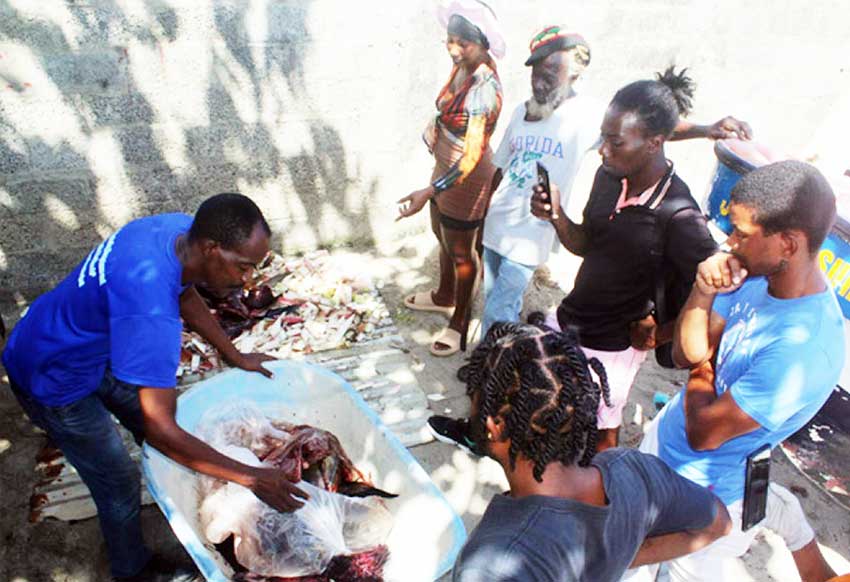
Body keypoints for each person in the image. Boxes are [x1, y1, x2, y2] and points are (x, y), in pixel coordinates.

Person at [429, 66, 749, 452]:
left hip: (613, 345)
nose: (603, 150)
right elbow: (585, 244)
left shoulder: (679, 216)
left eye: (615, 142)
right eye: (605, 140)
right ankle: (482, 439)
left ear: (654, 143)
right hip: (572, 315)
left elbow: (716, 297)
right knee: (507, 377)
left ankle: (601, 494)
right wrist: (557, 217)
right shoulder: (610, 176)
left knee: (597, 432)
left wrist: (659, 333)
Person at [2, 194, 308, 581]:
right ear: (212, 249)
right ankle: (133, 570)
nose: (247, 280)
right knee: (119, 481)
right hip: (51, 375)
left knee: (162, 421)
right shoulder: (151, 313)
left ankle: (181, 490)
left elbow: (186, 292)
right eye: (244, 267)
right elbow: (162, 432)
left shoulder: (177, 231)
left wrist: (235, 354)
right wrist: (250, 476)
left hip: (87, 343)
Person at [625, 160, 844, 582]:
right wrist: (703, 290)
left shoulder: (803, 350)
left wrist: (705, 361)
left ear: (788, 244)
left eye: (741, 233)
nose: (728, 241)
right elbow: (689, 354)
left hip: (707, 494)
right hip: (665, 441)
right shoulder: (755, 275)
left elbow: (704, 432)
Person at [451, 322, 732, 582]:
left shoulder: (492, 566)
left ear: (495, 426)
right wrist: (622, 556)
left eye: (476, 399)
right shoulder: (636, 469)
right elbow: (718, 523)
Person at [396, 0, 504, 356]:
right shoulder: (462, 67)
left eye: (464, 43)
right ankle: (444, 295)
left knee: (461, 252)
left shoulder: (483, 89)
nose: (455, 50)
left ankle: (460, 319)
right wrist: (436, 126)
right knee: (440, 231)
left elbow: (471, 157)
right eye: (450, 40)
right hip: (444, 169)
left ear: (484, 44)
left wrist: (430, 190)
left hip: (464, 179)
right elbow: (446, 107)